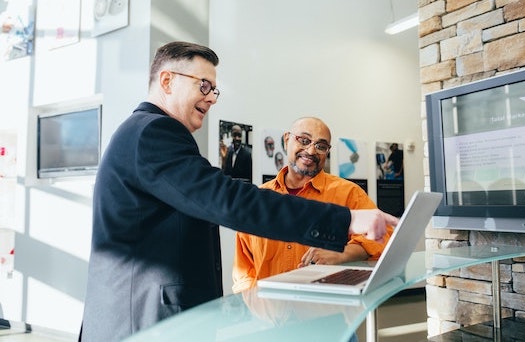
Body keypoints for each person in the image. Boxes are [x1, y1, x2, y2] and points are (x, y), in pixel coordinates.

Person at [79, 41, 398, 342]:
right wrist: (346, 220)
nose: (212, 97)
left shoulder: (146, 133)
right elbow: (229, 201)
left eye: (214, 89)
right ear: (166, 81)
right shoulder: (153, 132)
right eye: (203, 85)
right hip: (144, 321)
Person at [232, 117, 394, 293]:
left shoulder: (348, 193)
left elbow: (384, 237)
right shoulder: (259, 199)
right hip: (269, 314)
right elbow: (244, 269)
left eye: (321, 146)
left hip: (326, 311)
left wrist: (342, 253)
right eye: (304, 140)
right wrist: (254, 307)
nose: (310, 150)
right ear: (287, 140)